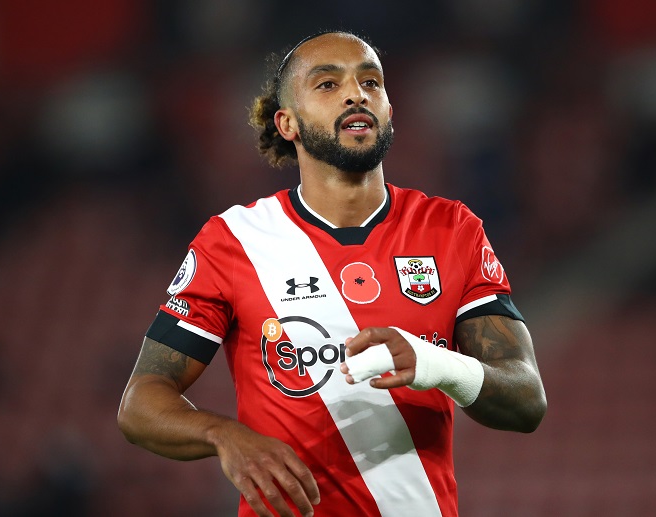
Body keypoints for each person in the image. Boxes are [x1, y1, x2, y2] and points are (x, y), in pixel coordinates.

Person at [118, 30, 547, 517]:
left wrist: (436, 365)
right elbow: (140, 403)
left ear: (388, 110)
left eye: (371, 82)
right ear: (287, 123)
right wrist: (224, 435)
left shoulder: (452, 230)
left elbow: (526, 400)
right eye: (327, 84)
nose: (355, 94)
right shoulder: (234, 241)